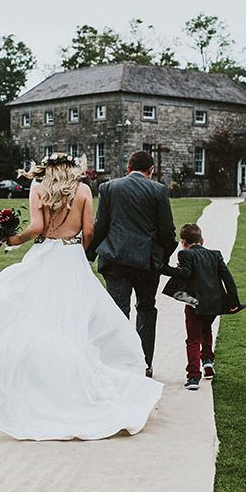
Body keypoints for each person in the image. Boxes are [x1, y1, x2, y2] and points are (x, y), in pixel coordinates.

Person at [0, 153, 162, 441]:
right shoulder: (83, 190)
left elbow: (35, 229)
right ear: (72, 168)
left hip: (45, 255)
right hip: (72, 257)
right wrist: (81, 252)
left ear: (47, 168)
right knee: (76, 322)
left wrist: (9, 240)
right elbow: (90, 230)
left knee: (39, 319)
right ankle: (75, 385)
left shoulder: (39, 188)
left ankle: (43, 386)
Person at [86, 150, 177, 378]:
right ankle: (144, 364)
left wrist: (88, 254)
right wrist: (162, 257)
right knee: (146, 309)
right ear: (151, 170)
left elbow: (101, 225)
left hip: (115, 261)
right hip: (146, 263)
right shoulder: (158, 190)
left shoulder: (109, 188)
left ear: (128, 167)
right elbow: (167, 231)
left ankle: (117, 363)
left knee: (118, 311)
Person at [161, 223, 244, 391]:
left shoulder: (185, 255)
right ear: (202, 240)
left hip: (194, 303)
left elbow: (184, 273)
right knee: (206, 330)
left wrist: (164, 269)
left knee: (192, 339)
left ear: (183, 242)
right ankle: (207, 361)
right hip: (214, 303)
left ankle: (193, 376)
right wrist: (233, 302)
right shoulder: (215, 255)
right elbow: (228, 279)